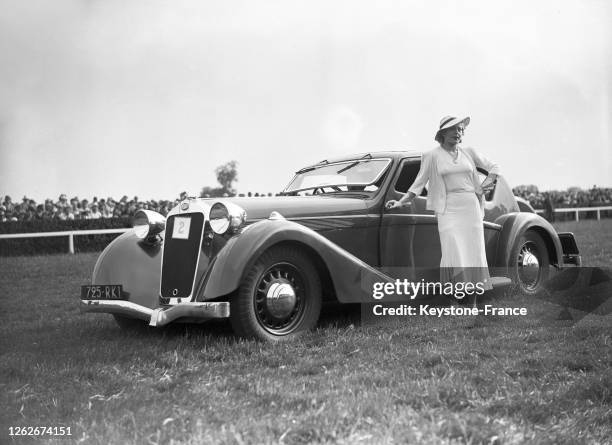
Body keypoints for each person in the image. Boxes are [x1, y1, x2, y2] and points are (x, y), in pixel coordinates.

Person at [386, 115, 500, 293]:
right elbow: (419, 182)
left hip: (470, 207)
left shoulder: (469, 152)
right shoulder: (431, 155)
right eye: (454, 129)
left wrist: (486, 184)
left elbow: (494, 167)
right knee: (452, 248)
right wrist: (401, 202)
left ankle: (473, 301)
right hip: (448, 208)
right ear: (443, 133)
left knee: (474, 251)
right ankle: (454, 297)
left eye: (461, 129)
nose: (458, 132)